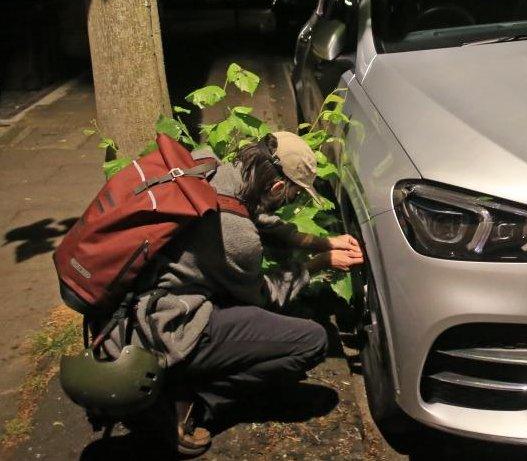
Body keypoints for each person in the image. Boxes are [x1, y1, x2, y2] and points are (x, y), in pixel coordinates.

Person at [103, 131, 363, 456]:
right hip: (166, 327)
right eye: (294, 196)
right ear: (278, 187)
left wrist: (318, 241)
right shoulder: (239, 238)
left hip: (129, 309)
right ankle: (184, 405)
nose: (291, 203)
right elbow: (264, 295)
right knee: (311, 341)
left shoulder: (210, 165)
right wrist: (318, 264)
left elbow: (255, 214)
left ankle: (178, 386)